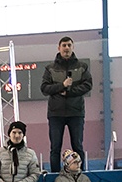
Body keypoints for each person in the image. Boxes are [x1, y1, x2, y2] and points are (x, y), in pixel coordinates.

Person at [40, 36, 93, 172]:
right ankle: (55, 176)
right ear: (59, 48)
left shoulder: (82, 67)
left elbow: (87, 85)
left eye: (69, 45)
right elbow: (44, 88)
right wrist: (61, 86)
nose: (67, 48)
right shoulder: (50, 68)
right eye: (64, 45)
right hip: (55, 114)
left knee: (77, 146)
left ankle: (80, 175)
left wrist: (69, 92)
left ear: (73, 47)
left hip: (76, 113)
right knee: (55, 148)